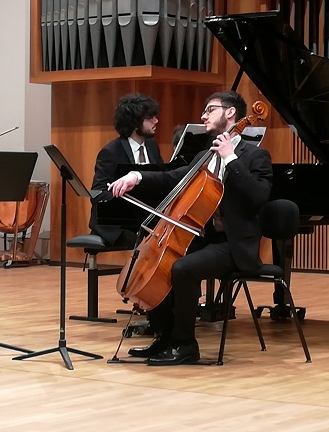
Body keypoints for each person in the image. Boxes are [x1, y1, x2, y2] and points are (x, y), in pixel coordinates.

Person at [108, 91, 273, 365]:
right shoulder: (204, 155)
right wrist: (136, 176)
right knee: (158, 263)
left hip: (233, 244)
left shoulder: (255, 156)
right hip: (204, 238)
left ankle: (185, 345)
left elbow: (259, 197)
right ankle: (164, 338)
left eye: (210, 110)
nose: (203, 116)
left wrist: (231, 159)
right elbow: (170, 178)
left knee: (182, 268)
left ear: (230, 113)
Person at [89, 93, 164, 247]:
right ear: (135, 123)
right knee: (150, 242)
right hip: (118, 223)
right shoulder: (111, 152)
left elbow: (160, 178)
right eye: (150, 118)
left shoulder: (152, 146)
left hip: (146, 218)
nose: (156, 121)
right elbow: (98, 193)